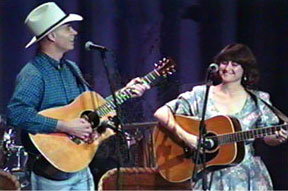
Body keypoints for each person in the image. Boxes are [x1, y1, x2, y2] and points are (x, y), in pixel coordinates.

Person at [7, 2, 149, 190]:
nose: (74, 32)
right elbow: (16, 114)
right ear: (52, 35)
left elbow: (93, 111)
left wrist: (125, 93)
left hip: (79, 166)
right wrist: (65, 126)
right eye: (68, 28)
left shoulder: (71, 69)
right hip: (51, 174)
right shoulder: (33, 73)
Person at [154, 43, 288, 190]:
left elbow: (268, 138)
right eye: (224, 62)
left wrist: (278, 137)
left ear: (245, 69)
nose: (227, 68)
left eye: (235, 64)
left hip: (247, 177)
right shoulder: (201, 95)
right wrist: (188, 137)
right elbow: (161, 113)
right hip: (209, 175)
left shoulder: (258, 99)